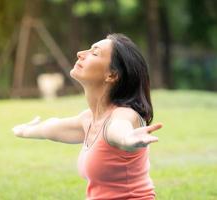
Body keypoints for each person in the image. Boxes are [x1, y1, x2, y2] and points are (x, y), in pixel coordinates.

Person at [12, 33, 163, 200]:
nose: (80, 53)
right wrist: (23, 130)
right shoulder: (89, 120)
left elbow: (118, 129)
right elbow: (52, 128)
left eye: (95, 52)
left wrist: (127, 139)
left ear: (111, 75)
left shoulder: (123, 115)